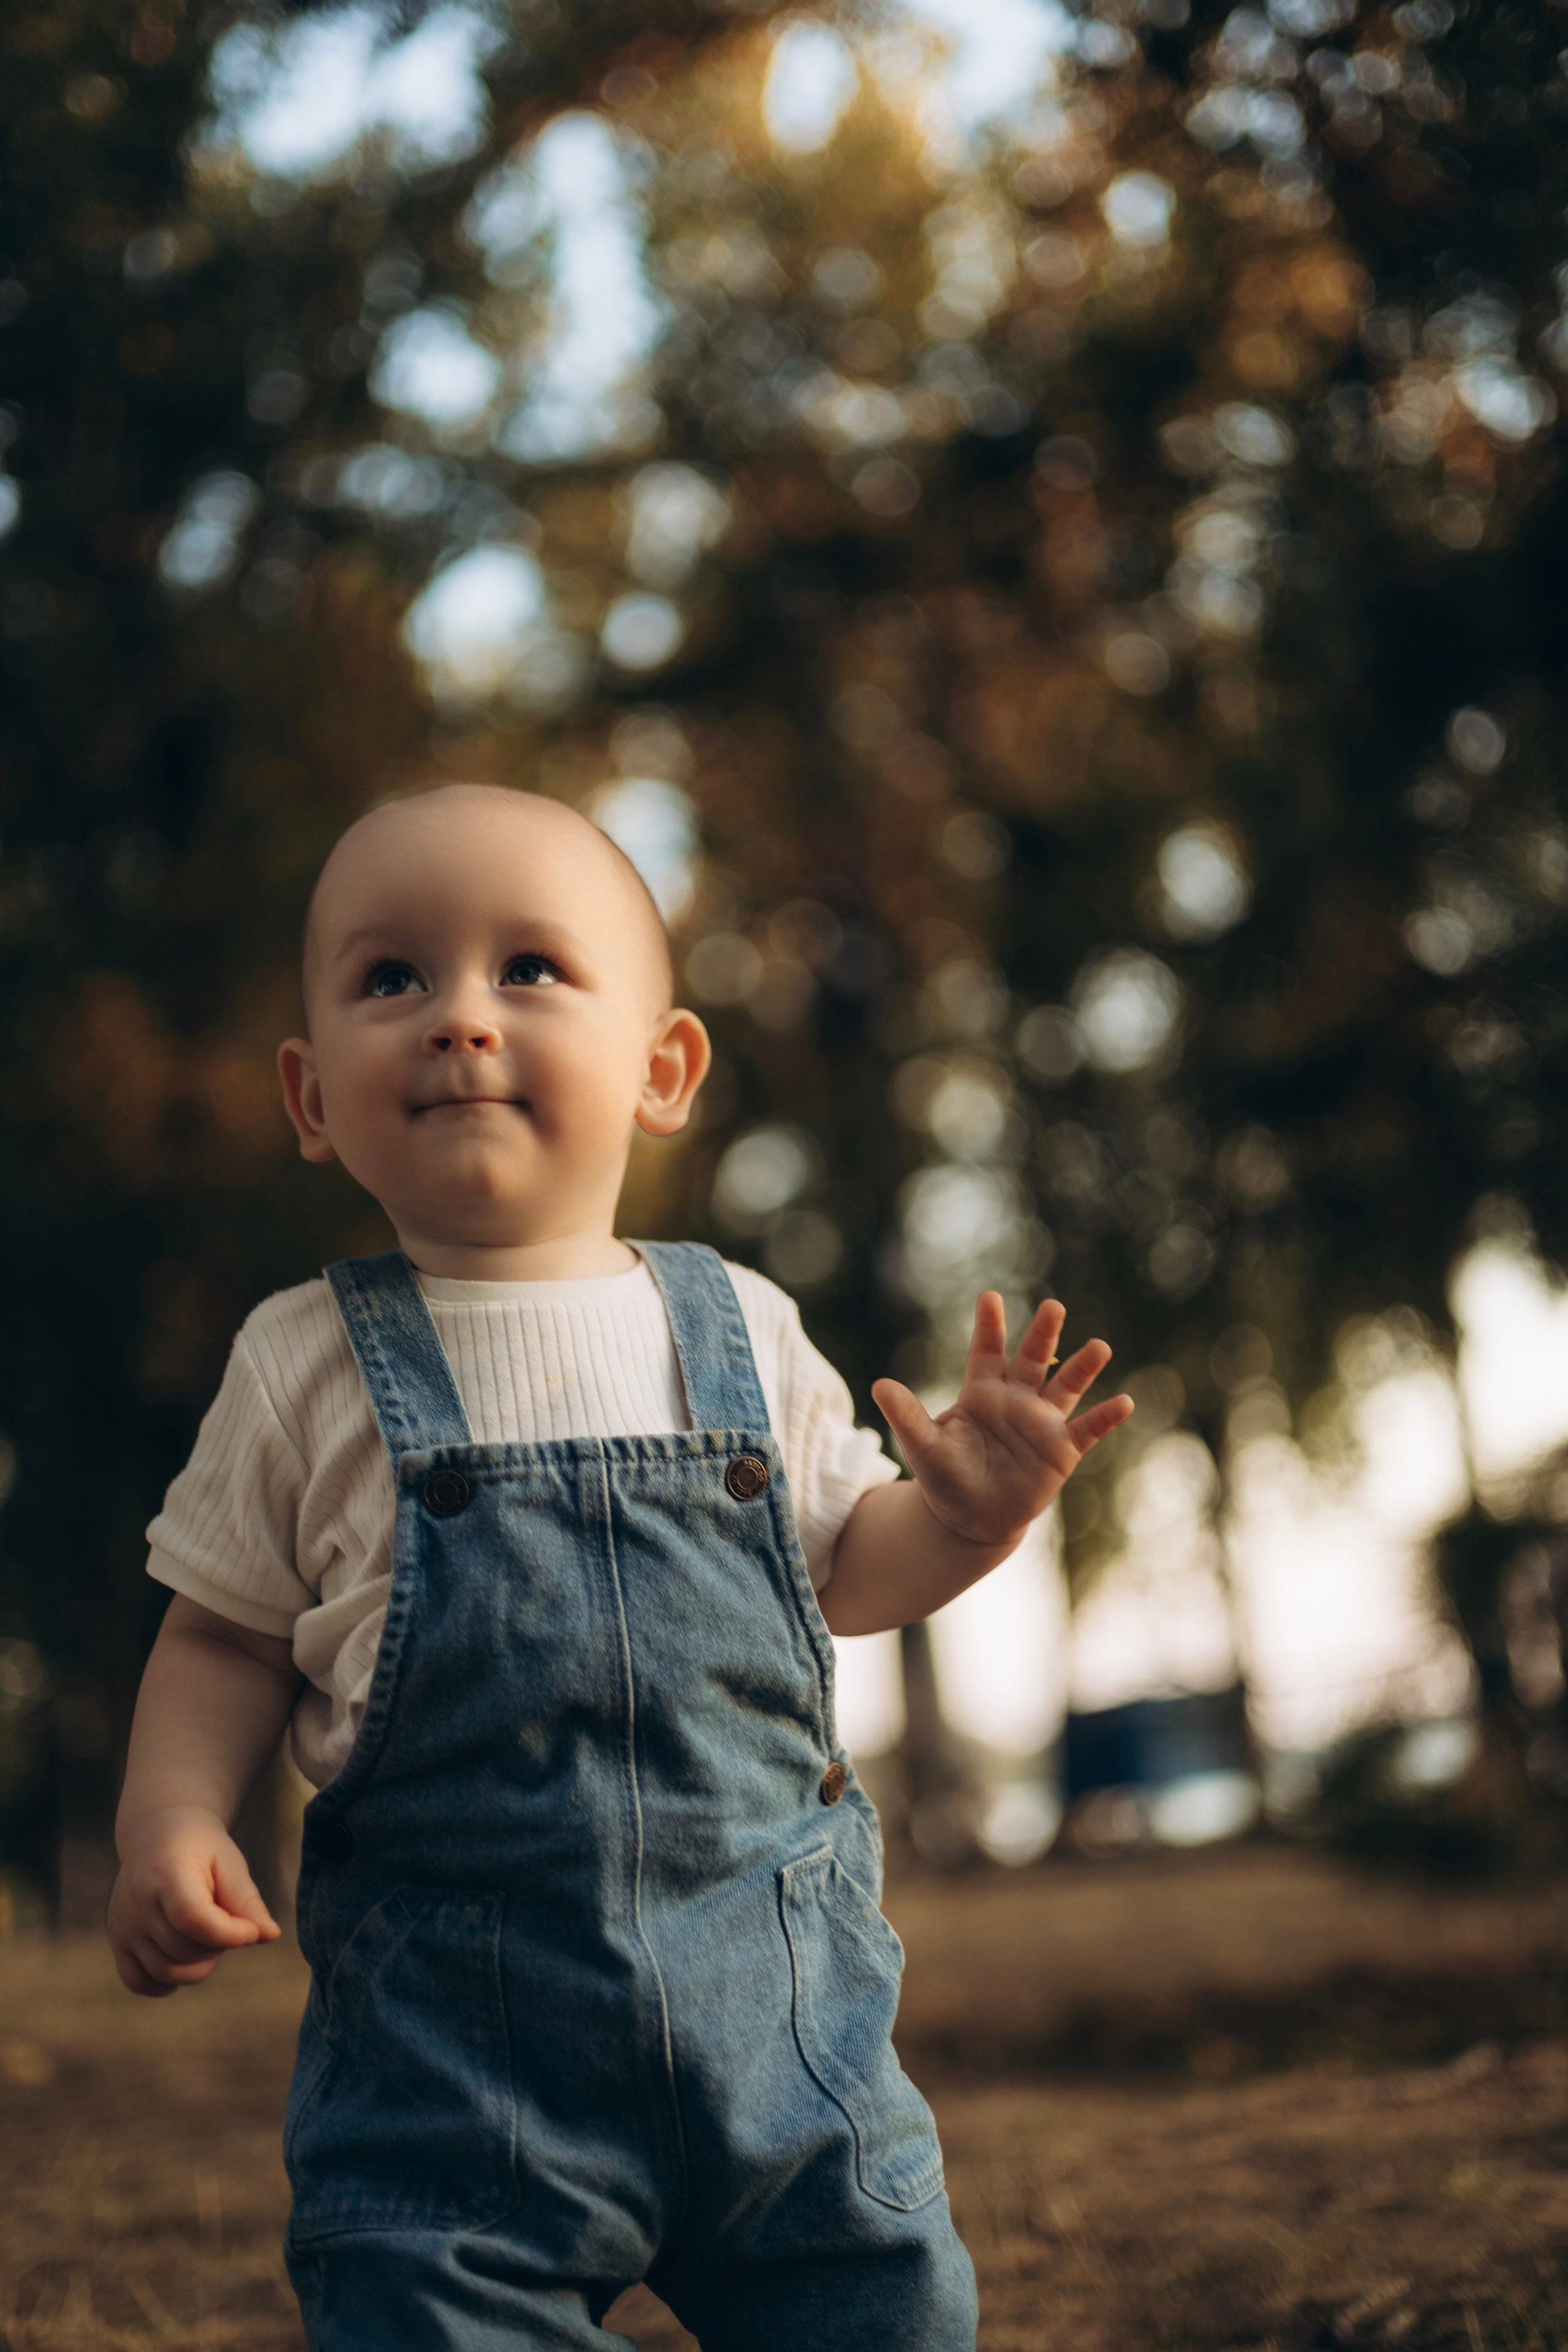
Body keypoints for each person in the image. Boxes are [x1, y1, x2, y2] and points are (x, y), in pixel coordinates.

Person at [107, 784, 1133, 2352]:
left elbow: (843, 1573)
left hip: (784, 2051)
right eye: (393, 978)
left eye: (527, 969)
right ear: (312, 1099)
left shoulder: (738, 1324)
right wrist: (170, 1822)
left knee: (877, 2308)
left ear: (661, 1070)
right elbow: (223, 1640)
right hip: (452, 2080)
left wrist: (970, 1522)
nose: (458, 1019)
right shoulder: (299, 1363)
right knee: (425, 2310)